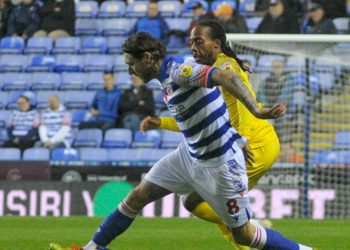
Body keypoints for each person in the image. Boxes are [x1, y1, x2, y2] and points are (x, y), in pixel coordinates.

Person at [50, 32, 317, 250]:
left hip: (221, 166)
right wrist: (234, 134)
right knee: (137, 196)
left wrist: (257, 111)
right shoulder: (165, 78)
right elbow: (207, 111)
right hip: (188, 155)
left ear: (147, 58)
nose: (130, 70)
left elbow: (226, 77)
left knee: (244, 236)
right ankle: (93, 247)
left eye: (131, 64)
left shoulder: (180, 71)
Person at [140, 19, 281, 250]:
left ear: (216, 45)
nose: (193, 47)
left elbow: (246, 107)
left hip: (254, 145)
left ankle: (254, 231)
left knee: (198, 201)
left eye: (198, 41)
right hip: (251, 143)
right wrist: (162, 122)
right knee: (204, 202)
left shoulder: (224, 68)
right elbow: (203, 123)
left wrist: (241, 140)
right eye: (191, 42)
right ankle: (250, 233)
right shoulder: (206, 73)